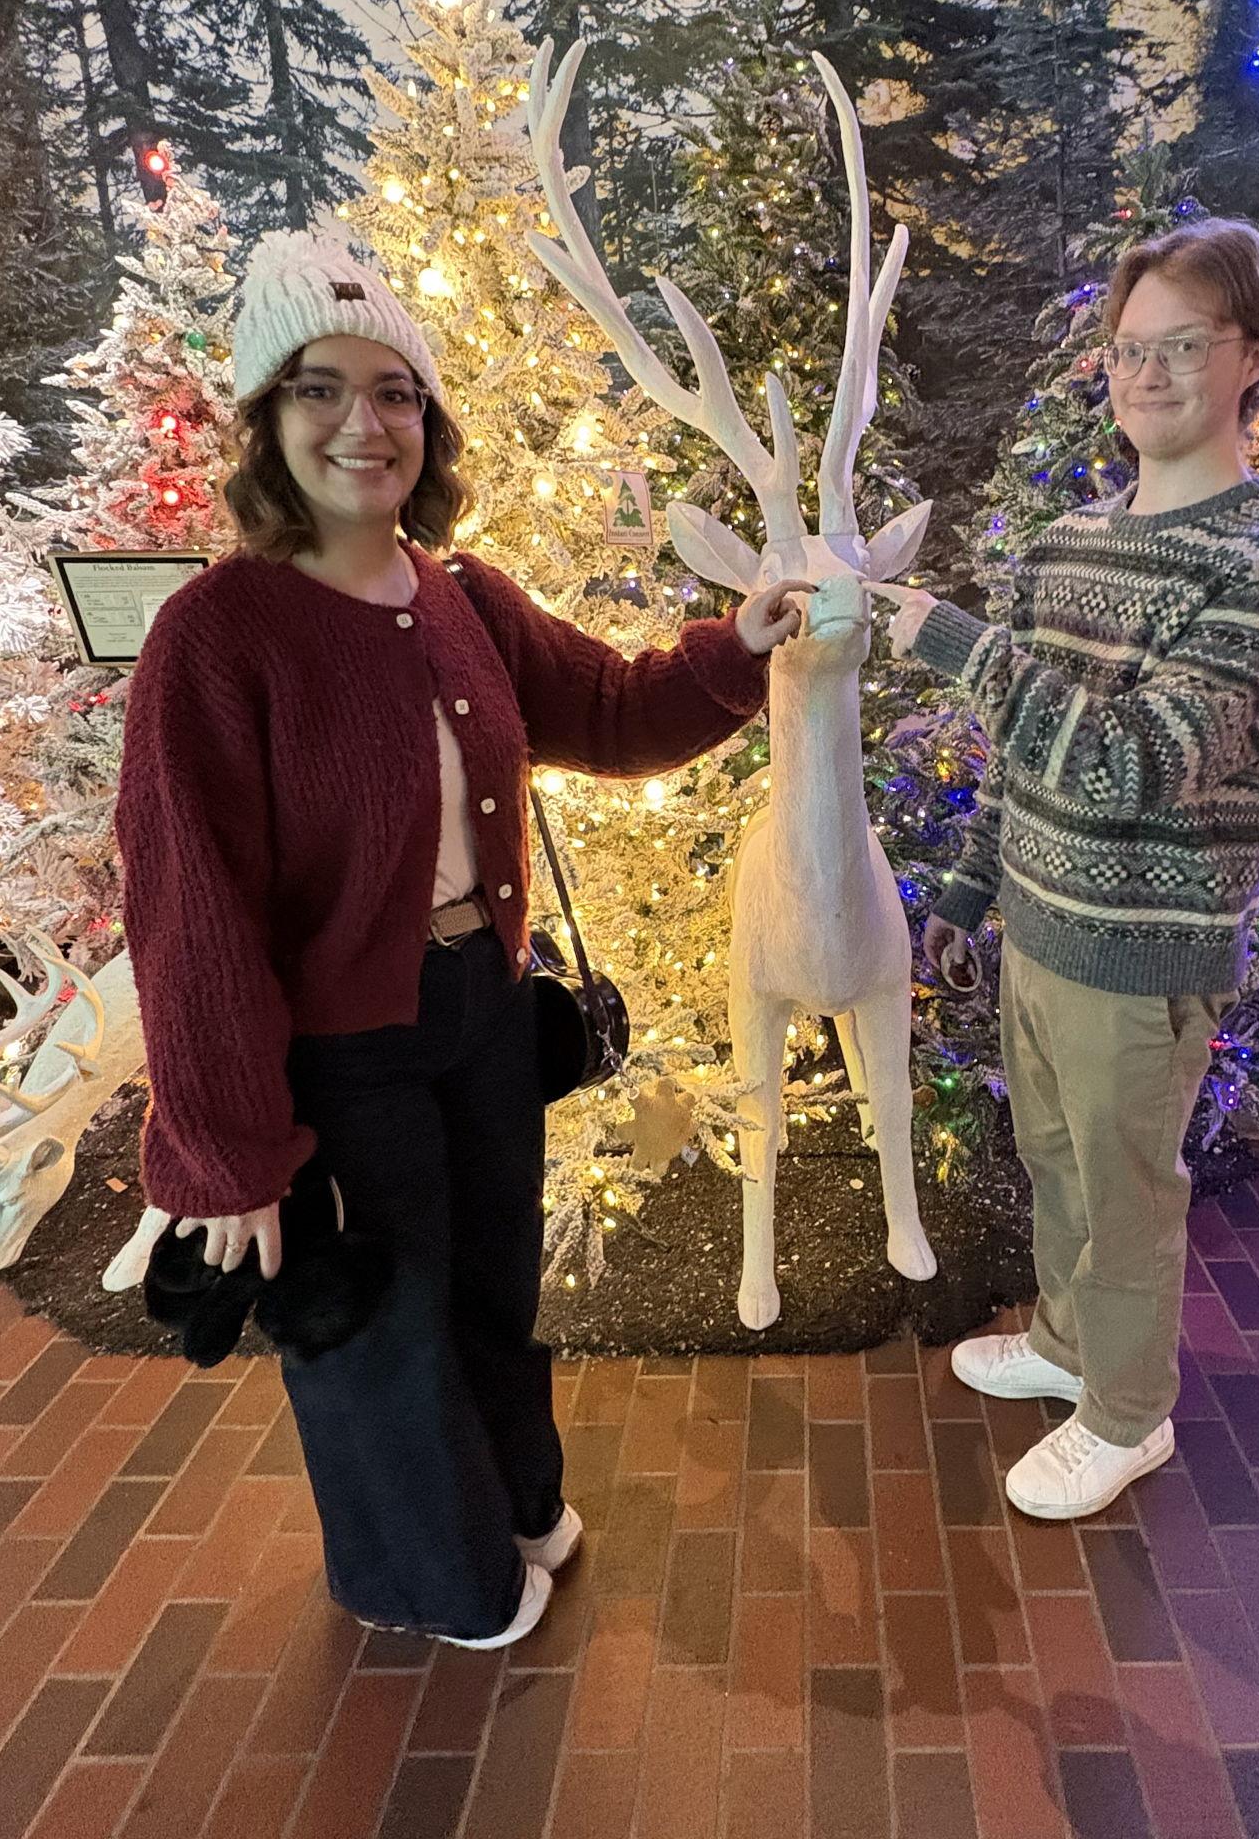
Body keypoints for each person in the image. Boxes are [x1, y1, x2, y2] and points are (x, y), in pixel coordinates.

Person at [116, 230, 808, 1647]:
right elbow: (189, 908)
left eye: (394, 393)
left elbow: (608, 711)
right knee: (380, 1322)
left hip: (482, 1013)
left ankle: (515, 1500)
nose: (362, 424)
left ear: (426, 421)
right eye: (319, 388)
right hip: (341, 1055)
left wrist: (733, 647)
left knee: (493, 1283)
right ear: (266, 416)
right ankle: (439, 1580)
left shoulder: (461, 598)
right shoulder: (216, 636)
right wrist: (229, 1147)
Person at [873, 218, 1259, 1522]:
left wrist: (958, 645)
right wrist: (973, 889)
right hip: (1041, 929)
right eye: (1131, 349)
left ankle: (1129, 1415)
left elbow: (1132, 764)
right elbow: (1027, 758)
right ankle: (1072, 1347)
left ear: (1254, 355)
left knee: (1125, 1192)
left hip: (1143, 951)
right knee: (1060, 1161)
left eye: (1184, 345)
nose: (1149, 374)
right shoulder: (1072, 541)